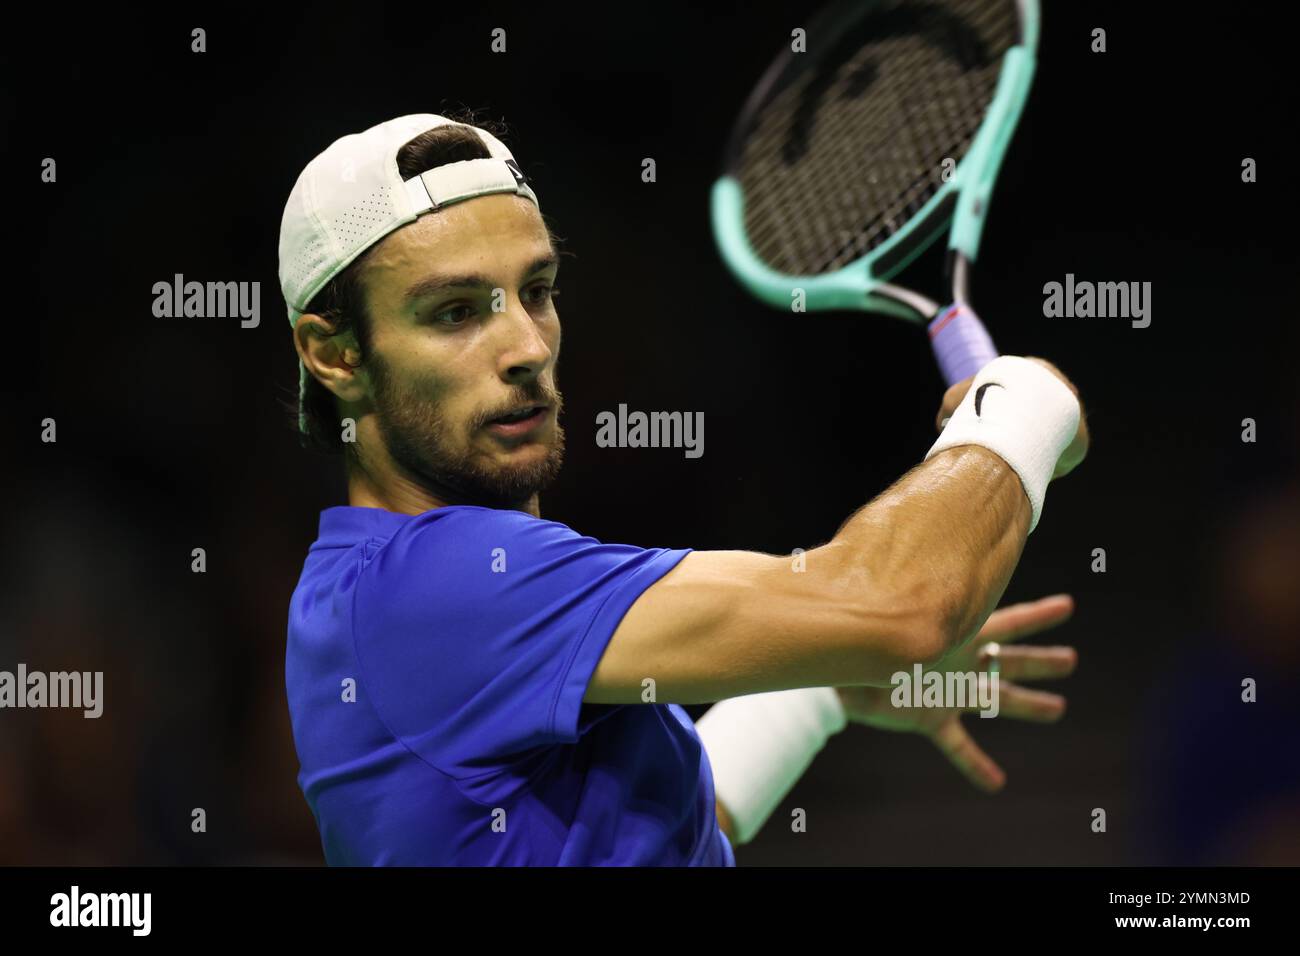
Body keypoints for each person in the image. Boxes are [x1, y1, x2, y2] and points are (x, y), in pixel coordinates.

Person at [279, 111, 1089, 865]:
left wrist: (813, 699)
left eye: (536, 291)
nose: (527, 346)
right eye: (456, 313)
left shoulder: (372, 600)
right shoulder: (438, 588)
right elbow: (904, 604)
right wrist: (1026, 404)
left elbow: (666, 839)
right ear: (335, 353)